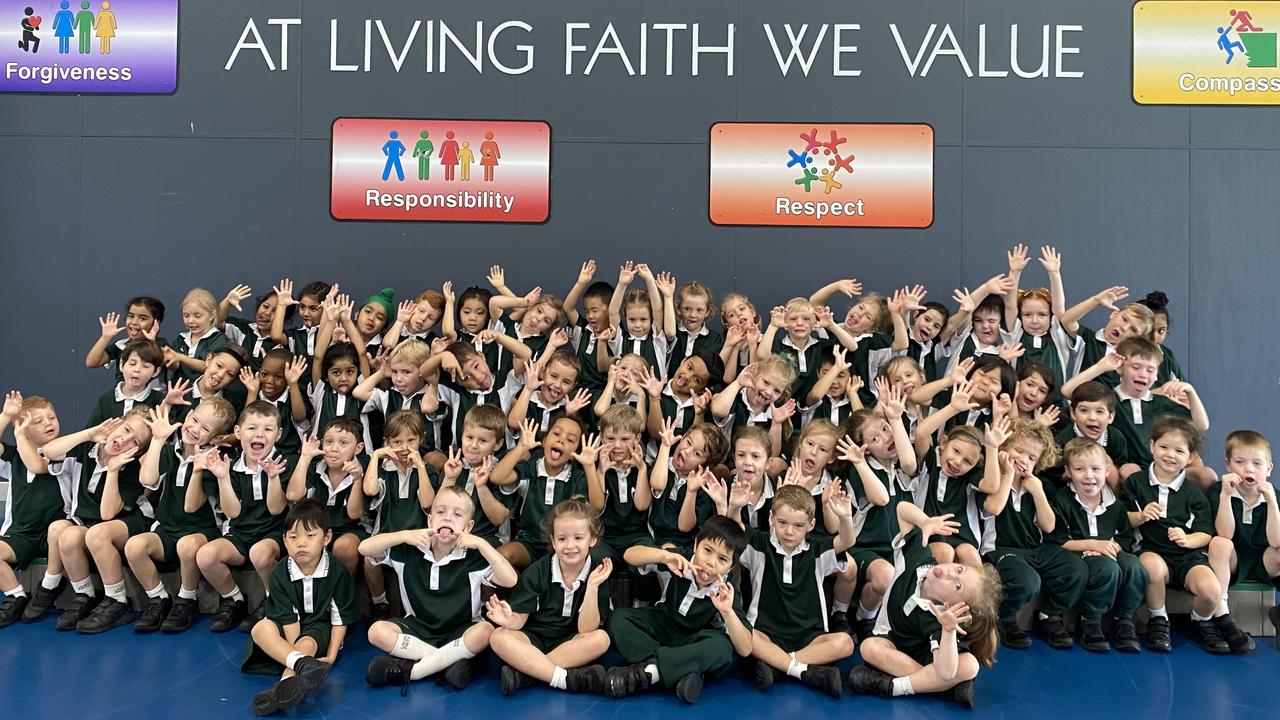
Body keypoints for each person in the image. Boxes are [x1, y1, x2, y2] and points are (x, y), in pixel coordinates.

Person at [361, 486, 519, 693]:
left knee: (485, 631)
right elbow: (364, 548)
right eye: (440, 512)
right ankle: (447, 663)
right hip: (418, 627)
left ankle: (413, 670)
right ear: (429, 520)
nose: (448, 518)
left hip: (459, 629)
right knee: (377, 631)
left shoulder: (473, 556)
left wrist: (481, 544)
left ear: (468, 526)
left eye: (457, 514)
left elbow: (510, 580)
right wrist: (404, 535)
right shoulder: (409, 549)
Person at [846, 502, 1003, 709]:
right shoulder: (919, 558)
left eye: (957, 586)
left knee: (970, 666)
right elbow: (901, 509)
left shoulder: (942, 617)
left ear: (955, 605)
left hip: (928, 655)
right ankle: (942, 689)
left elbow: (946, 671)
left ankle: (894, 686)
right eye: (958, 569)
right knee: (869, 647)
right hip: (893, 640)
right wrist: (924, 521)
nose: (949, 573)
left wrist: (948, 631)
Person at [1122, 417, 1243, 654]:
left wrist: (1188, 539)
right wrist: (1140, 516)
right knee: (1153, 568)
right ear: (1152, 446)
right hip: (1152, 551)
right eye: (1164, 447)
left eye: (1179, 450)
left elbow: (1205, 534)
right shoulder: (1136, 483)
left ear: (1190, 458)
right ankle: (1158, 619)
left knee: (1211, 591)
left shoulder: (1193, 493)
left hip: (1187, 557)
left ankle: (1200, 621)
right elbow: (1121, 518)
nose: (1170, 454)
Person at [605, 516, 753, 704]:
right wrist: (664, 556)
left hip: (693, 640)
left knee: (723, 648)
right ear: (695, 545)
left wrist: (727, 612)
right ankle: (681, 669)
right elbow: (629, 555)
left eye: (722, 559)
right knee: (618, 619)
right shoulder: (678, 558)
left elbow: (746, 648)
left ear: (730, 567)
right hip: (662, 626)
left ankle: (652, 672)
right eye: (707, 550)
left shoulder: (727, 590)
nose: (711, 562)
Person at [35, 409, 155, 632]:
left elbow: (108, 514)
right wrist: (89, 434)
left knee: (97, 534)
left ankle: (118, 600)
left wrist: (113, 470)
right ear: (116, 424)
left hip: (127, 523)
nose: (124, 440)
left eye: (134, 441)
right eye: (126, 429)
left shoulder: (132, 469)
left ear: (139, 451)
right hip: (88, 523)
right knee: (66, 534)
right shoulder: (88, 447)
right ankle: (84, 594)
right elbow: (49, 451)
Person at [735, 484, 857, 697]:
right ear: (772, 518)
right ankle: (803, 671)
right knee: (744, 635)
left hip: (810, 637)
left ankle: (778, 666)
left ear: (811, 525)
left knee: (845, 643)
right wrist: (735, 507)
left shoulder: (818, 550)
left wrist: (846, 518)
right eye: (782, 523)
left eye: (798, 526)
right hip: (766, 633)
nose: (789, 531)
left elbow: (846, 541)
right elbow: (734, 529)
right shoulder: (759, 544)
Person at [127, 400, 237, 634]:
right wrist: (157, 440)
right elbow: (147, 480)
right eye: (195, 420)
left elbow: (191, 506)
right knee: (134, 546)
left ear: (216, 438)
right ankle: (157, 598)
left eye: (206, 429)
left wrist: (197, 469)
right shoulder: (170, 450)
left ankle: (187, 599)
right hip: (167, 529)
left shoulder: (213, 460)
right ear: (187, 415)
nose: (195, 429)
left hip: (200, 531)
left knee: (187, 546)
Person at [243, 501, 360, 716]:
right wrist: (293, 653)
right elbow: (287, 620)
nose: (301, 544)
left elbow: (339, 618)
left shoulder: (336, 571)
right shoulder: (280, 572)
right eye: (293, 537)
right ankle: (302, 666)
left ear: (326, 537)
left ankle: (280, 690)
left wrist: (331, 656)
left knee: (306, 643)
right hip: (287, 629)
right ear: (285, 541)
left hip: (318, 625)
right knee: (260, 629)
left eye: (310, 536)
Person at [486, 499, 613, 696]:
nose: (570, 546)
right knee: (499, 637)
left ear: (592, 539)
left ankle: (527, 672)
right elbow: (519, 620)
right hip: (534, 638)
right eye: (562, 539)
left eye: (578, 538)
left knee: (601, 639)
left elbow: (586, 629)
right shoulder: (537, 571)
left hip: (570, 642)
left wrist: (592, 586)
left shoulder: (598, 573)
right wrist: (508, 619)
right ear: (553, 542)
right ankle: (562, 679)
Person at [979, 417, 1085, 650]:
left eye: (1031, 457)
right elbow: (993, 508)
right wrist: (1008, 474)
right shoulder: (992, 479)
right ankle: (1004, 618)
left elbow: (1048, 527)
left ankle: (1049, 614)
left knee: (1075, 569)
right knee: (1027, 581)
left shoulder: (1038, 485)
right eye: (1019, 450)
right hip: (1001, 550)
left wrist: (1038, 493)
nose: (1023, 460)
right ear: (1005, 448)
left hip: (1035, 549)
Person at [194, 401, 293, 633]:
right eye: (251, 428)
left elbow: (277, 509)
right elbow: (232, 513)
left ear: (278, 434)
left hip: (274, 533)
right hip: (240, 533)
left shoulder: (283, 462)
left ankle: (274, 598)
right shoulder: (232, 465)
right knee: (206, 555)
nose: (259, 434)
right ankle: (233, 599)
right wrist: (223, 478)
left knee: (259, 553)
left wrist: (273, 478)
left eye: (268, 429)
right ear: (238, 432)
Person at [1050, 438, 1148, 653]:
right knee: (1107, 569)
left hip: (1109, 551)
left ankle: (1124, 619)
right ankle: (1091, 620)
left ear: (1106, 470)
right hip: (1077, 553)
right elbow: (1058, 541)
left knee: (1135, 567)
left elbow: (1124, 538)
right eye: (1079, 469)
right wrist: (1094, 544)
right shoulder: (1062, 500)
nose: (1089, 476)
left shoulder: (1115, 503)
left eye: (1095, 469)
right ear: (1068, 471)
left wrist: (1111, 548)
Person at [1208, 430, 1280, 651]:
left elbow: (1276, 541)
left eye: (1257, 464)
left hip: (1263, 562)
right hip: (1233, 562)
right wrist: (1226, 496)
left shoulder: (1273, 494)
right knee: (1220, 543)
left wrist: (1272, 503)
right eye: (1240, 462)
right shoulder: (1219, 491)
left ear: (1269, 469)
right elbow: (1225, 534)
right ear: (1228, 465)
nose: (1249, 469)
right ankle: (1221, 613)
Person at [0, 393, 64, 627]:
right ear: (23, 429)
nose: (48, 423)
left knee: (61, 533)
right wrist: (6, 416)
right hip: (21, 535)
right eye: (38, 421)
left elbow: (38, 466)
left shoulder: (62, 452)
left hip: (54, 534)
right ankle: (16, 596)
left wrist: (19, 435)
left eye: (52, 417)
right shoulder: (12, 457)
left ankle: (51, 586)